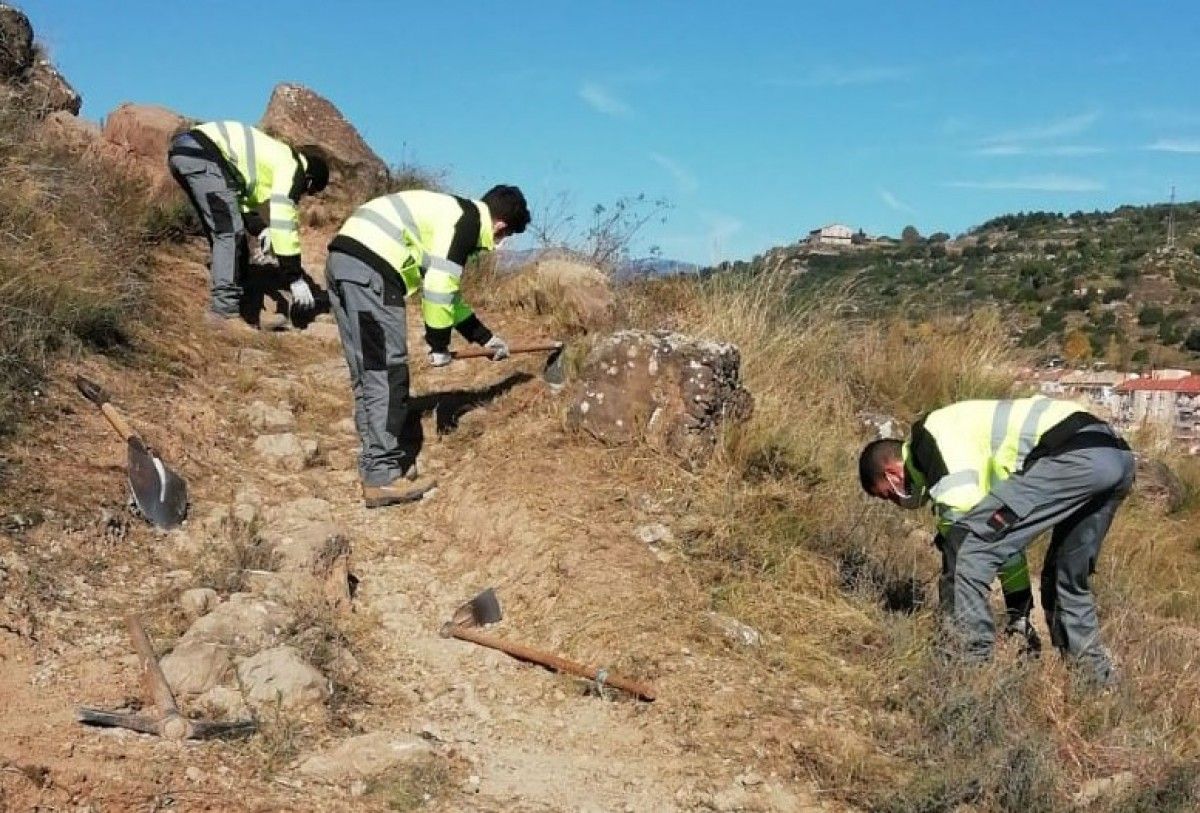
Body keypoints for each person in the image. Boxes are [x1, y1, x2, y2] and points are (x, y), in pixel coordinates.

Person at [858, 397, 1134, 686]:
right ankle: (1095, 686)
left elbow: (966, 541)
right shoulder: (962, 438)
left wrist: (1013, 610)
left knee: (966, 548)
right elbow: (1001, 540)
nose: (896, 502)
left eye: (887, 494)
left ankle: (969, 670)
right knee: (1064, 577)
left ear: (892, 473)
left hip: (1072, 457)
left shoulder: (928, 440)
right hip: (1115, 455)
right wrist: (1019, 612)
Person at [324, 185, 530, 508]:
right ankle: (382, 478)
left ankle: (373, 464)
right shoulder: (466, 225)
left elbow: (448, 298)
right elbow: (437, 289)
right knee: (387, 373)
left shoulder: (449, 214)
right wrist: (438, 344)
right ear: (500, 226)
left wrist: (486, 338)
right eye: (504, 238)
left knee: (367, 371)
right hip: (374, 271)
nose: (498, 245)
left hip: (344, 260)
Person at [166, 121, 329, 330]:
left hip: (187, 152)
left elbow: (239, 206)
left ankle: (243, 307)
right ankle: (224, 313)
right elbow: (283, 218)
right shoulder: (293, 167)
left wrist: (261, 229)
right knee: (228, 233)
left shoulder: (272, 160)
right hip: (204, 155)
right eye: (309, 191)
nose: (304, 195)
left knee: (224, 229)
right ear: (309, 180)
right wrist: (294, 277)